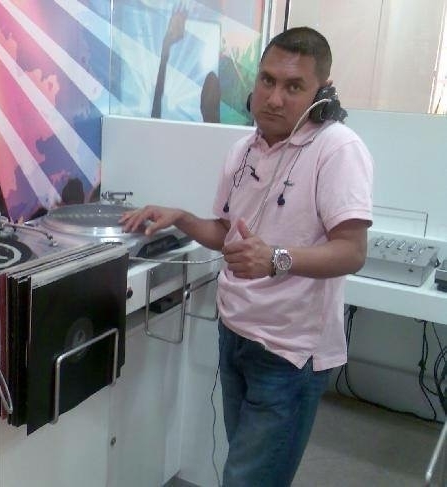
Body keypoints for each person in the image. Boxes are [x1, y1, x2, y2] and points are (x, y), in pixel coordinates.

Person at [121, 26, 373, 486]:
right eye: (267, 80)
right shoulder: (243, 150)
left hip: (289, 353)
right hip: (236, 335)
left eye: (293, 87)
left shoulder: (338, 149)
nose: (274, 98)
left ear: (322, 92)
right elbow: (225, 233)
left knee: (247, 479)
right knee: (246, 465)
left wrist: (275, 258)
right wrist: (182, 217)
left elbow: (352, 251)